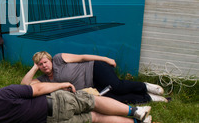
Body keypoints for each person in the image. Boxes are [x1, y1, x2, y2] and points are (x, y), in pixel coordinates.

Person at [0, 80, 153, 123]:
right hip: (57, 103)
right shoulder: (5, 94)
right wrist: (63, 84)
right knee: (94, 101)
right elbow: (39, 89)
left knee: (96, 118)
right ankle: (136, 111)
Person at [21, 52, 167, 104]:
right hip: (93, 86)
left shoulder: (59, 59)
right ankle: (148, 98)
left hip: (95, 69)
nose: (44, 66)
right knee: (114, 98)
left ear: (50, 60)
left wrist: (106, 59)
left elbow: (83, 57)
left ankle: (145, 86)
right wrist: (34, 68)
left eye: (45, 62)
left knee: (117, 87)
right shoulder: (44, 80)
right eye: (40, 65)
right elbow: (24, 86)